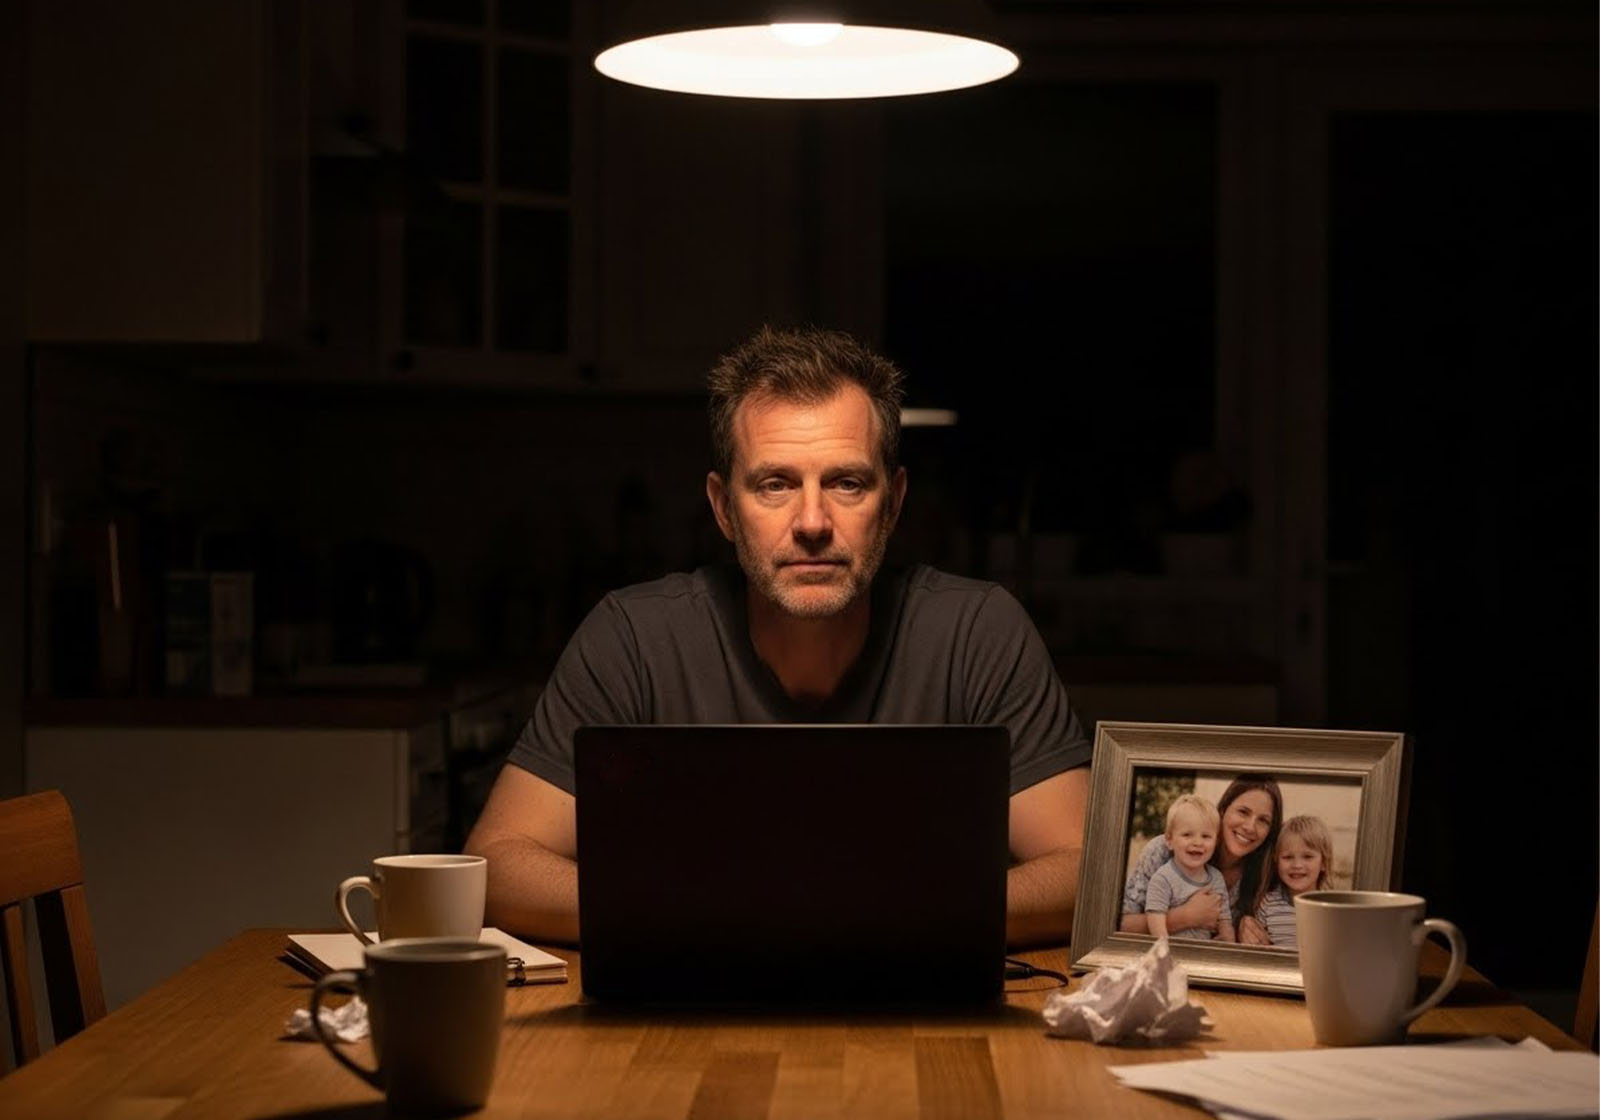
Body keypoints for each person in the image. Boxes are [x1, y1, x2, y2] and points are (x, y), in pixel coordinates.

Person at [465, 326, 1093, 948]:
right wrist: (730, 913)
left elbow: (1084, 872)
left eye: (847, 483)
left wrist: (868, 914)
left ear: (894, 502)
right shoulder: (634, 638)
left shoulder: (977, 632)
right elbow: (499, 868)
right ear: (723, 508)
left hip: (922, 1019)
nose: (813, 523)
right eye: (775, 485)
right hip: (685, 1016)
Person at [1119, 775, 1283, 943]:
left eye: (1263, 820)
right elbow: (1119, 923)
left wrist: (1244, 934)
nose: (1250, 827)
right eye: (1243, 812)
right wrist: (1185, 917)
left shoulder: (1266, 875)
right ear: (1223, 810)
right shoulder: (1163, 851)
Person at [1143, 795, 1236, 942]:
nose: (1197, 842)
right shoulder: (1163, 878)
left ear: (1216, 842)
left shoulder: (1216, 877)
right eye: (1187, 835)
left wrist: (1227, 936)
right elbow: (1155, 919)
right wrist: (1164, 951)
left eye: (1206, 836)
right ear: (1169, 841)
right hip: (1172, 952)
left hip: (1203, 955)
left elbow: (1224, 916)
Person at [1252, 815, 1334, 949]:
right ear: (1276, 861)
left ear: (1323, 862)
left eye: (1307, 857)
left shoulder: (1331, 908)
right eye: (1288, 857)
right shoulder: (1267, 903)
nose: (1297, 865)